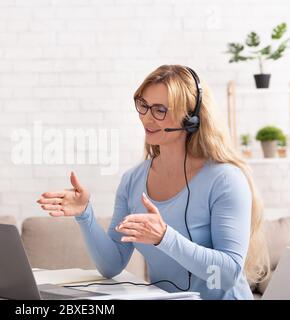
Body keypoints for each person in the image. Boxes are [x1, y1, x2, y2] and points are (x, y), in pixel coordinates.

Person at [36, 65, 269, 300]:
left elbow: (226, 275)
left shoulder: (225, 179)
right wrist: (85, 214)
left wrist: (164, 237)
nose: (147, 117)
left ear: (190, 118)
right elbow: (112, 264)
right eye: (144, 105)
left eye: (160, 110)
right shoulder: (132, 181)